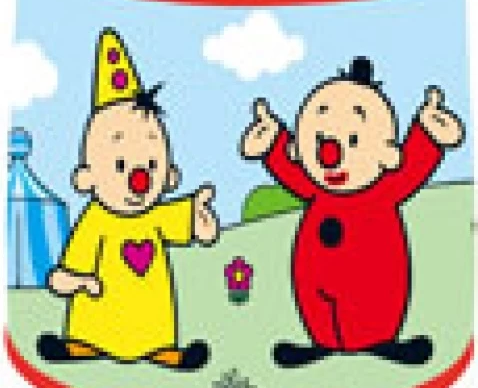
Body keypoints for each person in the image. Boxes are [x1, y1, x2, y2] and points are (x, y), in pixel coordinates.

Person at [241, 57, 464, 367]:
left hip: (373, 288)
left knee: (372, 301)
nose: (330, 156)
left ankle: (380, 341)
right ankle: (322, 342)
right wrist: (272, 142)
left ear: (385, 151)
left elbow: (412, 166)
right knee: (318, 306)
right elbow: (291, 172)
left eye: (353, 141)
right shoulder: (314, 188)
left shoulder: (384, 190)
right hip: (315, 287)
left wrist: (429, 134)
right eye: (320, 141)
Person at [38, 28, 218, 370]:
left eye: (151, 164)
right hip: (98, 321)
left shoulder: (154, 216)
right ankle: (81, 345)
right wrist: (78, 280)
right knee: (89, 333)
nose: (140, 178)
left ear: (168, 175)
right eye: (120, 165)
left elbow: (186, 222)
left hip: (151, 325)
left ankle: (162, 349)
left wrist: (200, 216)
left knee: (156, 332)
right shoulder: (95, 221)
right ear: (87, 177)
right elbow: (69, 269)